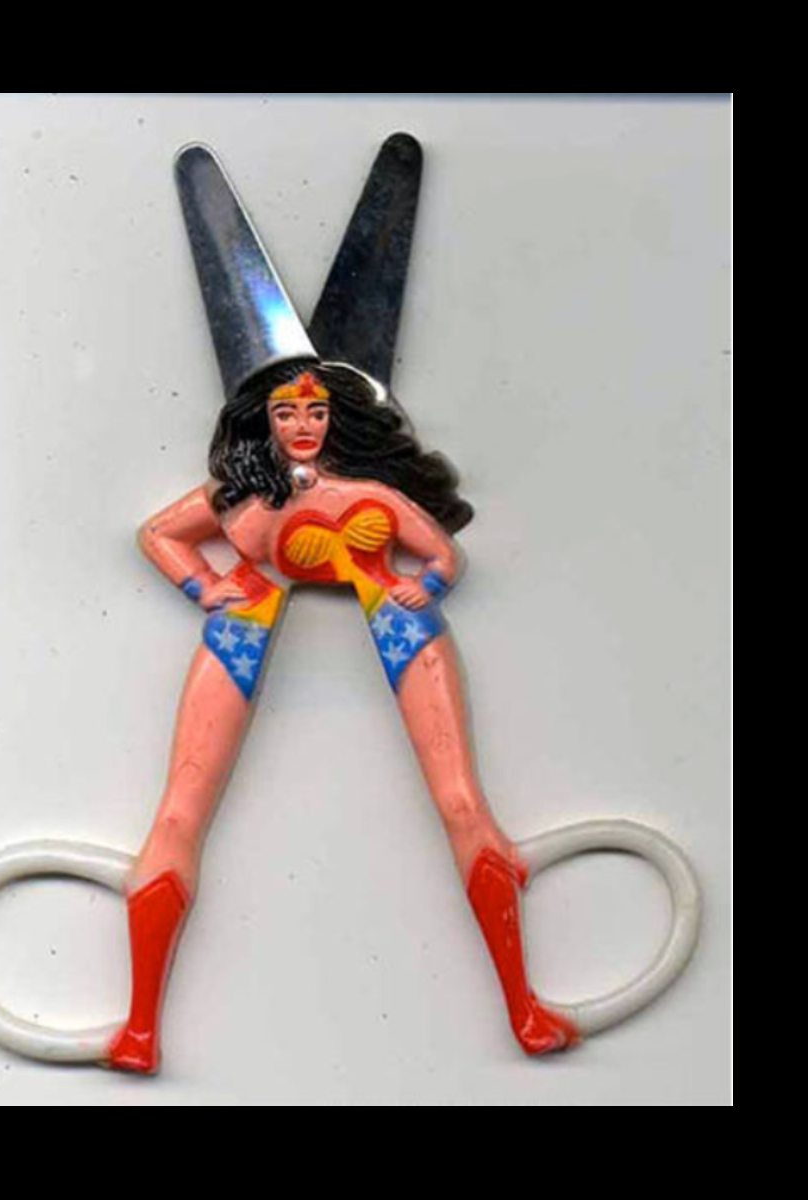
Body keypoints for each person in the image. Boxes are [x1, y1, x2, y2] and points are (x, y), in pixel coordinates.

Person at [111, 358, 576, 1073]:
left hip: (395, 616)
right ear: (263, 420)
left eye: (316, 411)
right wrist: (202, 587)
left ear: (336, 419)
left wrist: (427, 585)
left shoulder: (368, 495)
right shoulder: (239, 493)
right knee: (175, 818)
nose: (302, 424)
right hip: (246, 619)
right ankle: (137, 1031)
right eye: (286, 412)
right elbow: (158, 535)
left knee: (463, 805)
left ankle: (527, 1008)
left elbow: (444, 557)